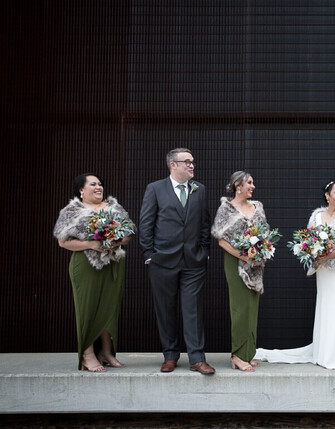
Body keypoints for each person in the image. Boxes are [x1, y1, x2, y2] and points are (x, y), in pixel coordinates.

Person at [255, 180, 335, 369]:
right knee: (325, 307)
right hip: (323, 271)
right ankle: (323, 352)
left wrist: (327, 255)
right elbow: (308, 243)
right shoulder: (317, 216)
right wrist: (314, 254)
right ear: (327, 195)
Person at [139, 148, 215, 375]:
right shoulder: (155, 189)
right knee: (166, 309)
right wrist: (149, 255)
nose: (192, 165)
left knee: (192, 309)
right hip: (162, 261)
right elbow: (146, 223)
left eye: (192, 162)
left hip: (193, 261)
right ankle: (170, 356)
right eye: (187, 162)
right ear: (173, 165)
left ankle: (197, 358)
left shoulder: (199, 190)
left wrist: (204, 252)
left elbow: (204, 223)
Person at [53, 173, 135, 372]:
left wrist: (115, 240)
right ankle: (87, 354)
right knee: (87, 307)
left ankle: (106, 352)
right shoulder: (71, 211)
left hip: (113, 263)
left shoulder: (113, 207)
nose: (99, 187)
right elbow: (63, 241)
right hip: (85, 265)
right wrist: (92, 243)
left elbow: (129, 232)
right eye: (93, 184)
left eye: (100, 184)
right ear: (81, 190)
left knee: (110, 307)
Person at [211, 171, 273, 372]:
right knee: (240, 308)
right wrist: (243, 256)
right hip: (236, 262)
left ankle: (248, 352)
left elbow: (265, 233)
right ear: (237, 185)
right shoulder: (226, 208)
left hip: (256, 262)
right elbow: (221, 240)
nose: (253, 186)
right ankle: (237, 355)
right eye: (249, 182)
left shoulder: (258, 207)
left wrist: (261, 251)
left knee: (252, 306)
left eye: (253, 182)